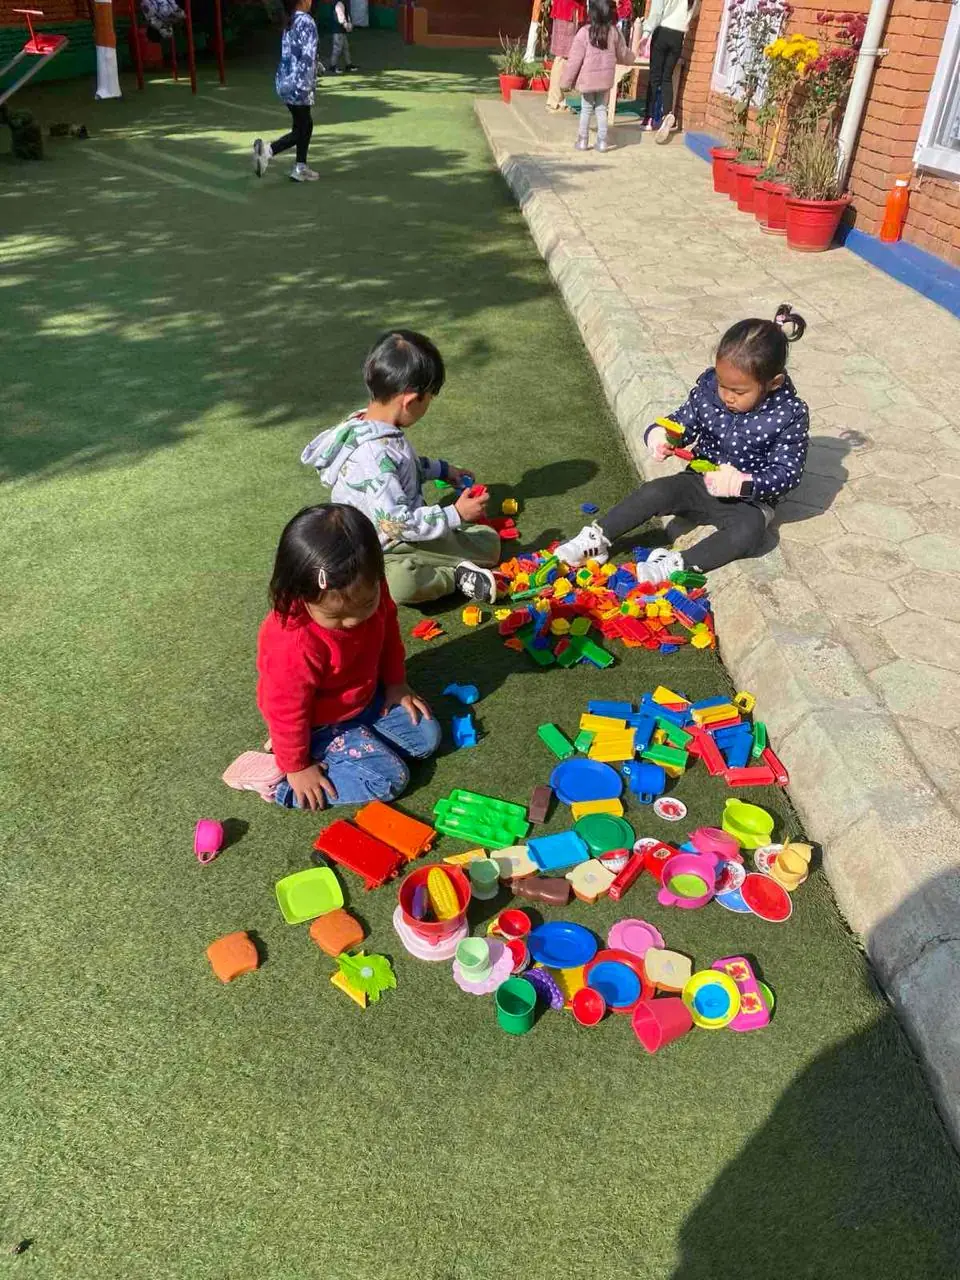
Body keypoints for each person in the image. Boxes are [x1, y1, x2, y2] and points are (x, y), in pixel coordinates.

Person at [554, 305, 809, 578]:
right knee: (655, 491)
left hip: (750, 502)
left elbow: (788, 473)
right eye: (723, 385)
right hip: (700, 480)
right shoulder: (710, 388)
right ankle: (599, 537)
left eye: (738, 391)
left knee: (748, 533)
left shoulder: (789, 413)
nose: (727, 396)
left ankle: (676, 564)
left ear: (773, 383)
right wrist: (661, 434)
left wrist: (743, 482)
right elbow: (683, 421)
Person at [256, 504, 441, 811]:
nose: (355, 621)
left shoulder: (370, 587)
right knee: (390, 778)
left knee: (427, 736)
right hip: (316, 723)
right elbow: (285, 709)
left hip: (365, 700)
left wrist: (396, 684)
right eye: (337, 617)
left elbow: (389, 637)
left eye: (367, 605)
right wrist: (297, 766)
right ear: (300, 594)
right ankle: (281, 785)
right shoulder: (294, 641)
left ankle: (356, 741)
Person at [300, 330, 500, 606]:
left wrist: (441, 470)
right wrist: (456, 513)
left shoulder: (364, 424)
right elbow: (398, 523)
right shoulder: (374, 454)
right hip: (392, 542)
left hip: (366, 549)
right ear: (411, 400)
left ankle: (423, 567)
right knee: (489, 545)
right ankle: (456, 575)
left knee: (399, 580)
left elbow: (402, 466)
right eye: (428, 399)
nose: (427, 406)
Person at [252, 0, 319, 182]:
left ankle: (300, 167)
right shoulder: (307, 21)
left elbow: (293, 53)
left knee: (303, 124)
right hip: (299, 84)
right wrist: (308, 79)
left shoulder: (290, 21)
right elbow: (307, 55)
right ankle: (267, 151)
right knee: (303, 128)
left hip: (284, 81)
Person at [561, 0, 637, 152]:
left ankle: (582, 141)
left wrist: (565, 82)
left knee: (586, 109)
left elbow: (574, 61)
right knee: (602, 109)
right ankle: (602, 142)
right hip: (605, 80)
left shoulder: (584, 32)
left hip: (588, 81)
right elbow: (623, 54)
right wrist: (633, 57)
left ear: (592, 13)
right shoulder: (614, 32)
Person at [641, 0, 700, 141]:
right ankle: (667, 113)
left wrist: (646, 33)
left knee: (655, 76)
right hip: (678, 37)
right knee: (667, 77)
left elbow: (656, 12)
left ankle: (649, 119)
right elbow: (694, 12)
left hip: (662, 31)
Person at [545, 0, 585, 113]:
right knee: (562, 57)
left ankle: (558, 101)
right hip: (567, 11)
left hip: (568, 10)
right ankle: (554, 102)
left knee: (563, 58)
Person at [329, 0, 358, 73]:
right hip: (338, 31)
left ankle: (349, 65)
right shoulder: (339, 3)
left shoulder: (339, 3)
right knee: (337, 49)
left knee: (345, 48)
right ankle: (333, 66)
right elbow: (341, 17)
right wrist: (347, 26)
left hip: (340, 31)